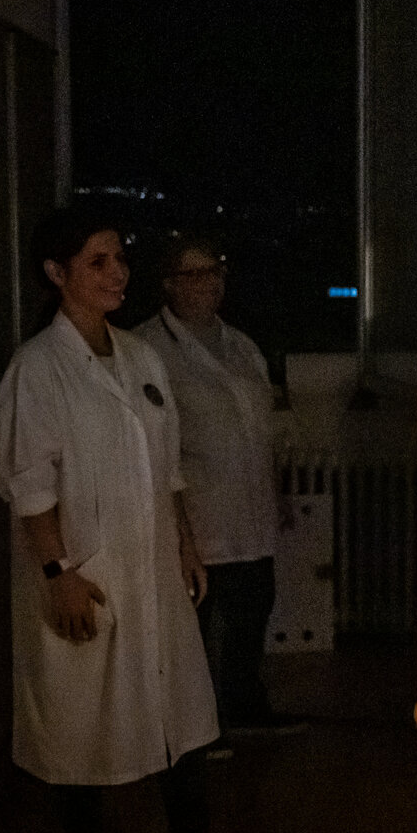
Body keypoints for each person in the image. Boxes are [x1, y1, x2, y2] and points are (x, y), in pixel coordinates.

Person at [0, 205, 279, 833]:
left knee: (179, 707)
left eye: (119, 258)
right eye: (97, 262)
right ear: (56, 274)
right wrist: (58, 572)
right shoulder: (38, 369)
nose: (116, 272)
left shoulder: (140, 358)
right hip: (85, 573)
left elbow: (167, 468)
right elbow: (29, 485)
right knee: (79, 714)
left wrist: (185, 543)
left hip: (153, 571)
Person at [139, 235, 301, 739]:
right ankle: (199, 726)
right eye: (193, 274)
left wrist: (277, 491)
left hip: (250, 505)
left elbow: (262, 430)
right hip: (197, 514)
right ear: (168, 284)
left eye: (214, 271)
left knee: (254, 606)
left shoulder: (241, 345)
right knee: (201, 622)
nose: (207, 283)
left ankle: (245, 705)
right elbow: (154, 445)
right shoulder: (147, 349)